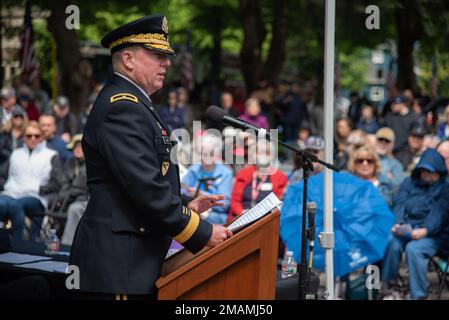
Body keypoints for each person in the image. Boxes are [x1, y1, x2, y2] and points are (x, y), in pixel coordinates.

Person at [69, 15, 231, 300]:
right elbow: (144, 187)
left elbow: (144, 180)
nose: (167, 63)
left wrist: (184, 204)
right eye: (157, 55)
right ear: (128, 59)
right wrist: (201, 232)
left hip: (130, 262)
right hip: (117, 267)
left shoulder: (137, 103)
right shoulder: (123, 106)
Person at [381, 149, 449, 300]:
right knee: (391, 241)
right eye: (423, 170)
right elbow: (399, 204)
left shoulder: (445, 189)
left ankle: (419, 295)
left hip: (434, 234)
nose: (425, 174)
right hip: (409, 227)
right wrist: (397, 223)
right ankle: (388, 286)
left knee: (414, 248)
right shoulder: (409, 183)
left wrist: (425, 230)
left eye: (430, 171)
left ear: (439, 171)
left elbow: (440, 214)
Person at [0, 121, 62, 241]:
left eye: (37, 136)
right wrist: (5, 186)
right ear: (24, 137)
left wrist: (38, 188)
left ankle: (18, 244)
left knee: (15, 205)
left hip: (35, 196)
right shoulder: (16, 154)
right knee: (2, 203)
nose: (33, 139)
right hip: (11, 193)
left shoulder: (51, 155)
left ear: (42, 137)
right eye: (29, 136)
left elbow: (57, 182)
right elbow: (2, 175)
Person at [228, 141, 287, 222]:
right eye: (258, 152)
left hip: (266, 221)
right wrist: (243, 214)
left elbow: (278, 204)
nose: (262, 156)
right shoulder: (243, 173)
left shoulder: (280, 177)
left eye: (267, 153)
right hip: (241, 218)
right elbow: (235, 200)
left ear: (272, 155)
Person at [181, 134, 233, 225]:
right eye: (201, 153)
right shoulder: (194, 169)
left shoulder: (225, 173)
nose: (203, 157)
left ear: (216, 154)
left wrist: (201, 194)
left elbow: (224, 204)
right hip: (192, 211)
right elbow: (181, 190)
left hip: (214, 217)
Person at [56, 134, 89, 246]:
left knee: (74, 209)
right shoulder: (70, 163)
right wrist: (63, 197)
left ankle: (67, 245)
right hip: (68, 199)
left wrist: (68, 194)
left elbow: (82, 187)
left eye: (81, 146)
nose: (78, 149)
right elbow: (64, 184)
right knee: (57, 204)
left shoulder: (90, 164)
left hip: (85, 200)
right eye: (76, 147)